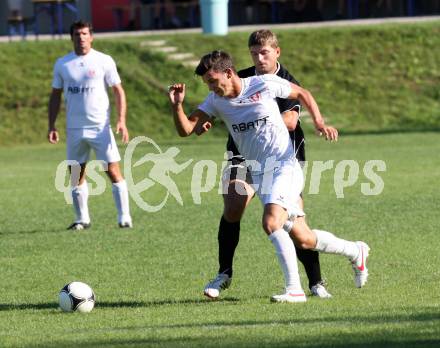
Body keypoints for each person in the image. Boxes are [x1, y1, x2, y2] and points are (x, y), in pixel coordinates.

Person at [168, 50, 370, 302]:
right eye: (207, 83)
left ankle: (295, 289)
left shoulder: (263, 84)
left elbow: (302, 94)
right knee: (304, 238)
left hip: (285, 166)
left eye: (212, 80)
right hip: (259, 172)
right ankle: (355, 251)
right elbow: (187, 129)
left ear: (228, 73)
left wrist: (319, 122)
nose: (211, 87)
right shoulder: (215, 101)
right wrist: (177, 105)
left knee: (271, 222)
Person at [201, 30, 333, 299]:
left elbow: (290, 122)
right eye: (253, 53)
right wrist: (212, 118)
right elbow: (223, 104)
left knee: (294, 225)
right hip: (242, 155)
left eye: (264, 53)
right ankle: (224, 273)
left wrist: (250, 121)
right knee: (233, 205)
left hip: (283, 157)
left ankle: (316, 282)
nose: (259, 58)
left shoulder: (281, 82)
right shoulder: (243, 77)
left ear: (277, 52)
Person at [48, 20, 133, 230]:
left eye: (85, 33)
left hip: (100, 127)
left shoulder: (104, 60)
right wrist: (52, 125)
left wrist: (121, 120)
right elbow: (55, 96)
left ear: (91, 37)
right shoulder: (63, 64)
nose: (81, 37)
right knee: (76, 174)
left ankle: (124, 218)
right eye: (77, 34)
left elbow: (118, 91)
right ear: (72, 37)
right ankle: (82, 219)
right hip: (75, 129)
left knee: (112, 170)